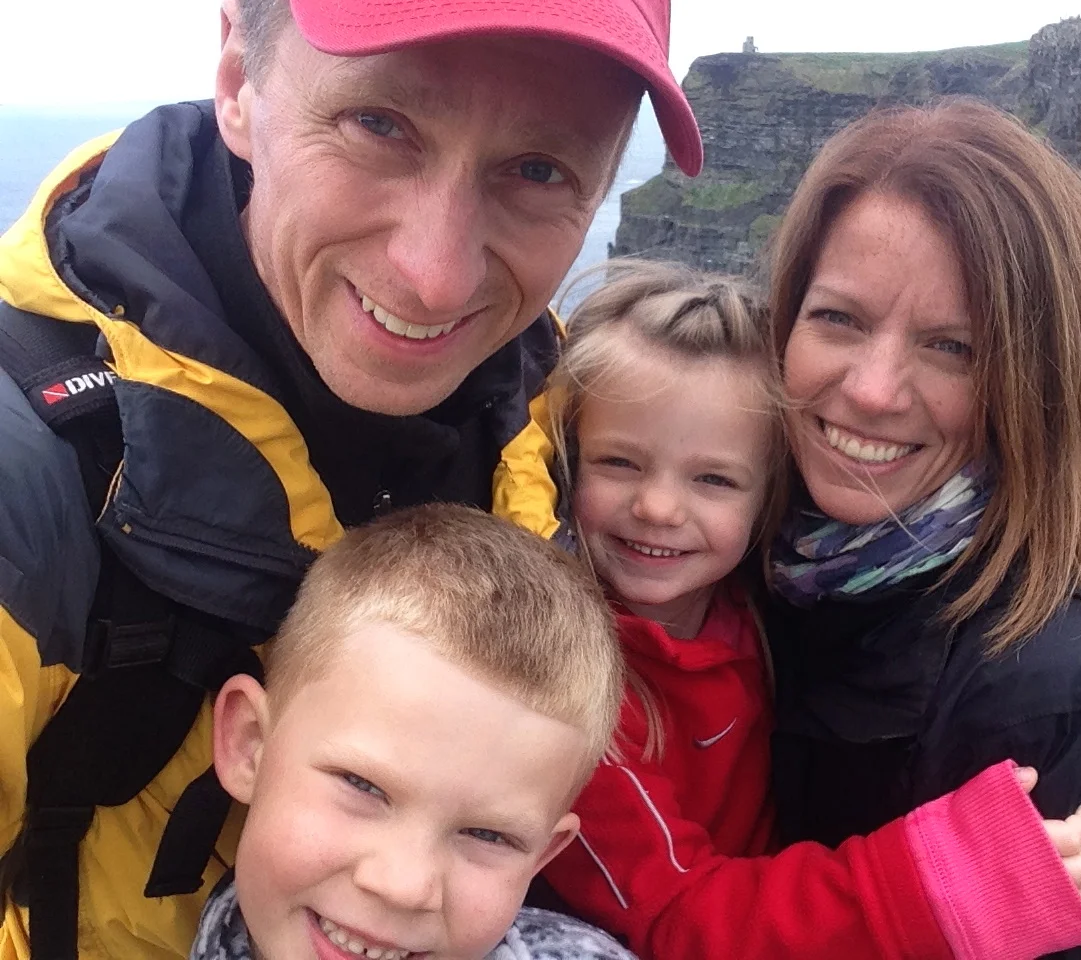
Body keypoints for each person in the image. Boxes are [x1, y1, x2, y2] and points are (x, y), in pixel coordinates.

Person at [0, 0, 701, 956]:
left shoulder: (552, 410)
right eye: (379, 125)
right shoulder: (27, 479)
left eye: (539, 170)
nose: (435, 278)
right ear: (242, 83)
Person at [762, 97, 1081, 957]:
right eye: (839, 319)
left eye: (952, 348)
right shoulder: (782, 573)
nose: (873, 389)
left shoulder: (1041, 695)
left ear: (1038, 388)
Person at [537, 261, 1081, 959]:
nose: (657, 508)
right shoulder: (565, 690)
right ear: (565, 465)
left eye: (714, 478)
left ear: (770, 493)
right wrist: (944, 882)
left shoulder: (767, 607)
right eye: (618, 463)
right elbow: (678, 915)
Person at [192, 503, 637, 960]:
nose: (404, 886)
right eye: (362, 785)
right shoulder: (228, 930)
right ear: (250, 745)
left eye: (487, 835)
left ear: (542, 856)